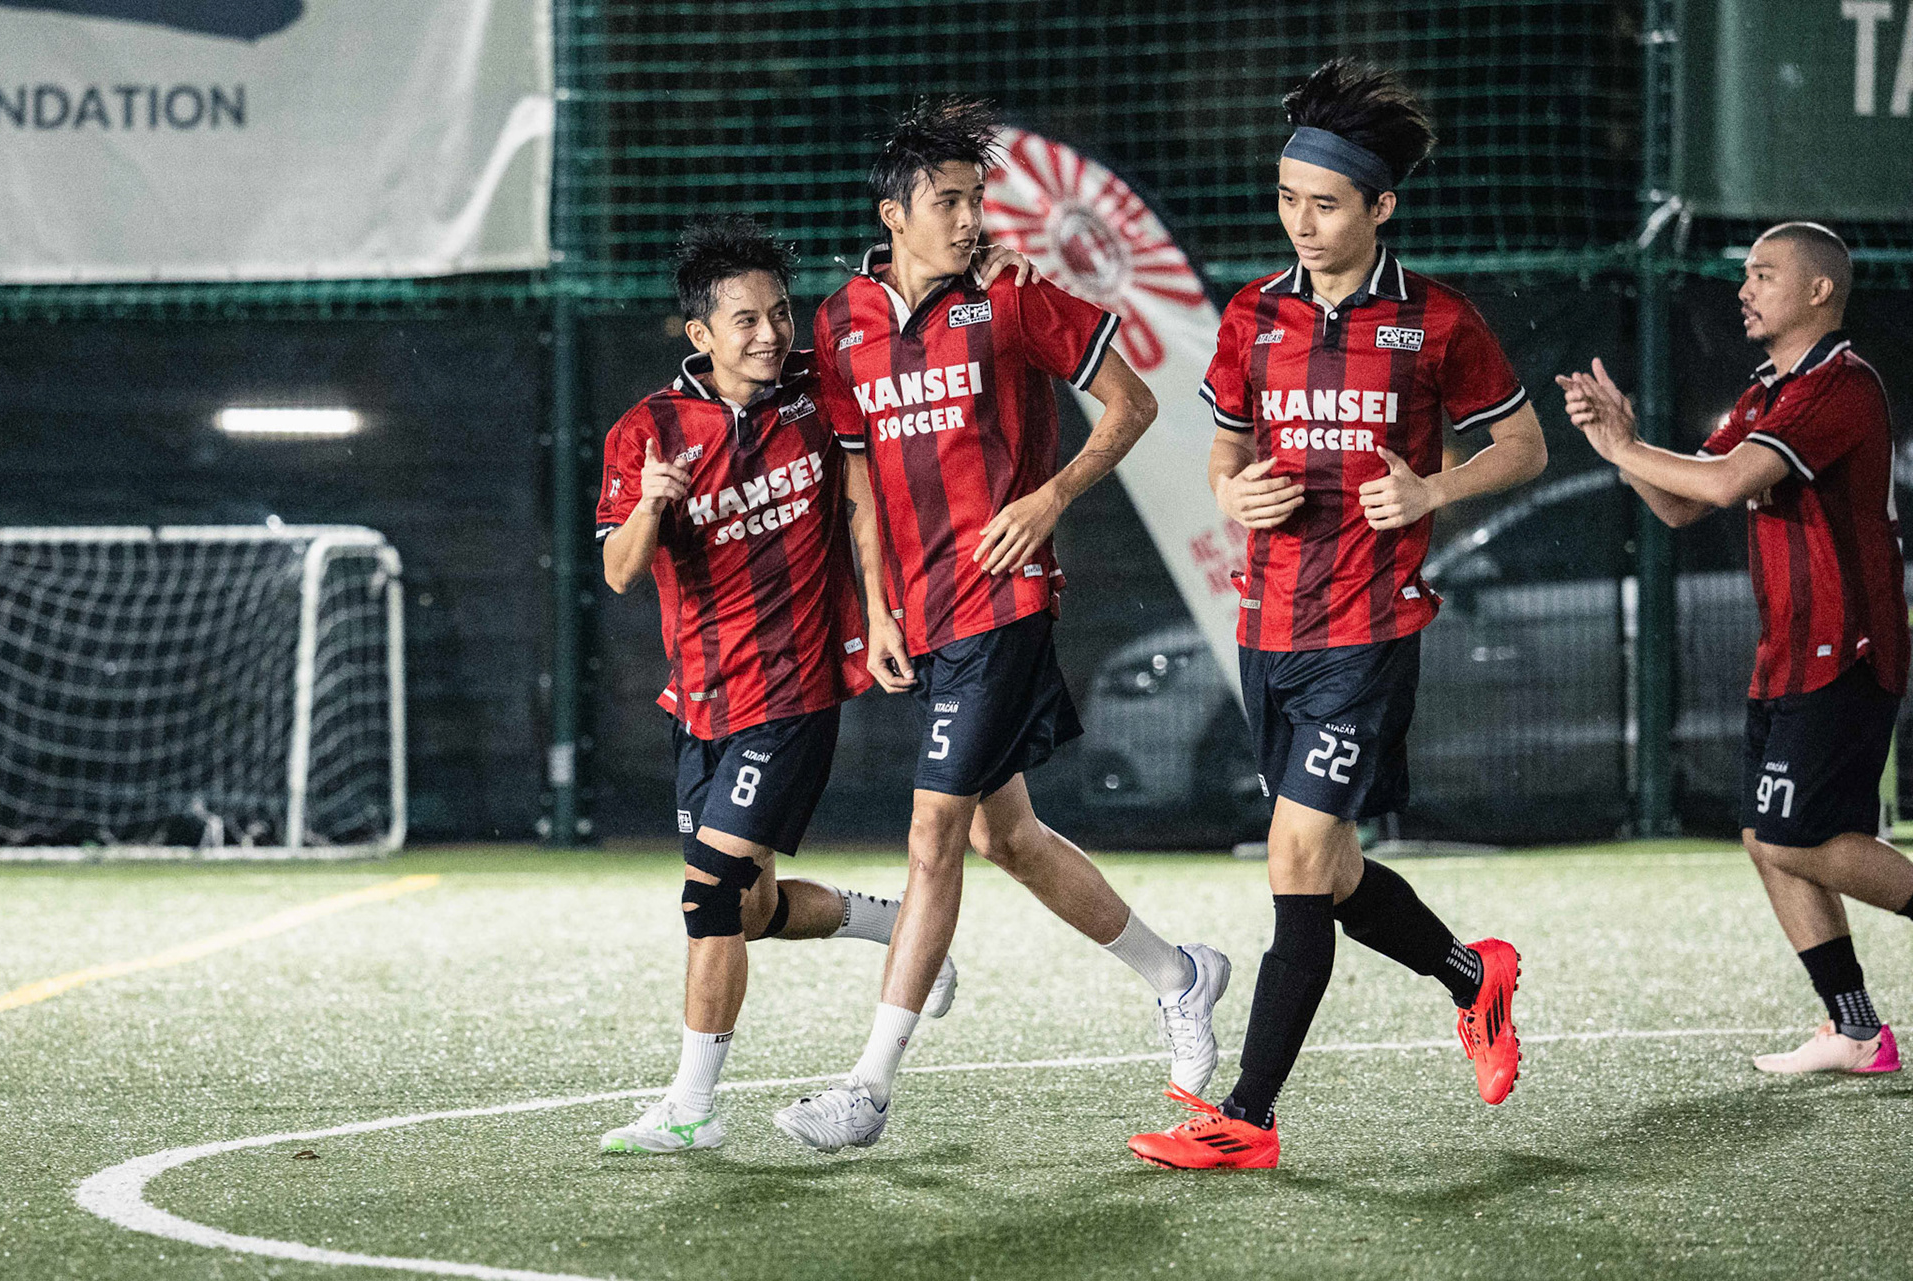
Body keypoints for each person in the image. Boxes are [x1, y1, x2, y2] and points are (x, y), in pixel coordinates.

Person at [771, 98, 1232, 1154]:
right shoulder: (843, 323)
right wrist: (878, 607)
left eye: (978, 200)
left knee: (934, 836)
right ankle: (1181, 973)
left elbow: (1132, 405)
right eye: (948, 202)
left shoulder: (1017, 300)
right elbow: (860, 476)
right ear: (894, 214)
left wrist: (1050, 497)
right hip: (924, 616)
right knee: (1002, 834)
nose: (971, 219)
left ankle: (868, 1092)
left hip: (1004, 602)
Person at [1129, 60, 1548, 1171]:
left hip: (1371, 629)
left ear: (1380, 207)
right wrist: (1233, 490)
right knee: (1333, 868)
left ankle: (1247, 1120)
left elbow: (1524, 445)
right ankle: (1475, 977)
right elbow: (1224, 452)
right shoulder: (1253, 315)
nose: (1301, 223)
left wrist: (1432, 490)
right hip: (1268, 630)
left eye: (1324, 203)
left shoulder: (1437, 322)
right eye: (1286, 199)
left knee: (1297, 854)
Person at [591, 218, 1038, 1152]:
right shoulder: (647, 431)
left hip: (792, 693)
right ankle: (887, 922)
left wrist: (989, 274)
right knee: (746, 910)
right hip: (700, 702)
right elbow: (621, 572)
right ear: (699, 335)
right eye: (745, 319)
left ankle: (692, 1107)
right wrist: (651, 504)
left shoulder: (817, 389)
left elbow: (900, 340)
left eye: (779, 313)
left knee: (708, 897)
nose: (770, 333)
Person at [1559, 220, 1909, 1077]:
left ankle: (1859, 1028)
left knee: (1793, 835)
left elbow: (1721, 482)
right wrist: (1620, 447)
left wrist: (1628, 446)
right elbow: (1683, 504)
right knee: (1766, 835)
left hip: (1846, 648)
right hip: (1787, 652)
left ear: (1819, 291)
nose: (1744, 289)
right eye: (1744, 274)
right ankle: (1857, 1030)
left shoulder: (1839, 384)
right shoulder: (1766, 393)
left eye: (1764, 274)